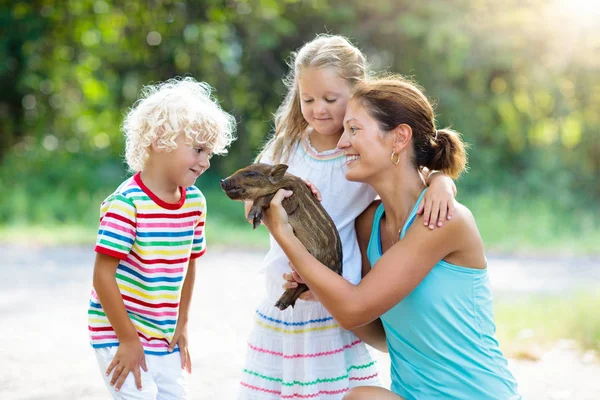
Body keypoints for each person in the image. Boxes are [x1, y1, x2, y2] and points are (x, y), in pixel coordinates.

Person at [264, 76, 522, 400]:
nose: (342, 142)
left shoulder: (443, 220)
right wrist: (322, 290)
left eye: (354, 129)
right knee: (360, 397)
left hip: (476, 395)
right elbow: (383, 334)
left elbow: (353, 309)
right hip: (412, 395)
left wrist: (283, 232)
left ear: (399, 138)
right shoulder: (368, 224)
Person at [237, 35, 457, 399]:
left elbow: (413, 172)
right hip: (283, 293)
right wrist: (281, 199)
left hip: (332, 298)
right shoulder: (286, 146)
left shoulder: (361, 150)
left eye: (330, 99)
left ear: (355, 93)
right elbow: (251, 201)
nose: (318, 109)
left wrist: (441, 182)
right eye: (307, 99)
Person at [88, 77, 236, 399]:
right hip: (116, 332)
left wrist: (182, 323)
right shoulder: (127, 204)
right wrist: (127, 339)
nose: (206, 161)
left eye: (209, 152)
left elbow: (190, 263)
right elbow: (102, 276)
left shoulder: (195, 202)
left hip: (162, 335)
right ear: (159, 140)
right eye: (198, 149)